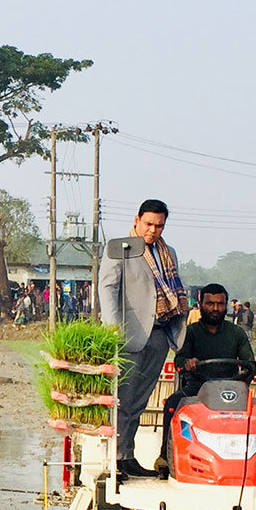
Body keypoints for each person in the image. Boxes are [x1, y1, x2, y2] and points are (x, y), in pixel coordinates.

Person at [99, 198, 188, 478]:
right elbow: (108, 289)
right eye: (148, 224)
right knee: (122, 400)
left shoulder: (168, 252)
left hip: (160, 334)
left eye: (159, 225)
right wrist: (112, 331)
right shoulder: (120, 247)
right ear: (137, 220)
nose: (153, 230)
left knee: (139, 401)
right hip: (129, 335)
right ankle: (115, 458)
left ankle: (127, 456)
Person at [159, 283, 254, 468]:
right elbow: (180, 359)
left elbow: (250, 364)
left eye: (220, 304)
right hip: (197, 388)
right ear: (201, 304)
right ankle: (165, 456)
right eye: (210, 304)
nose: (215, 309)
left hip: (230, 389)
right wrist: (187, 363)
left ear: (226, 305)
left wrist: (243, 382)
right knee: (172, 404)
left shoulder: (237, 333)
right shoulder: (191, 332)